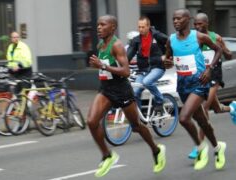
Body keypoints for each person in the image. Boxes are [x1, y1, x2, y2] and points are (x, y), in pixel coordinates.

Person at [87, 15, 166, 178]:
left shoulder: (117, 45)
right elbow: (106, 68)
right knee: (91, 121)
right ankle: (107, 156)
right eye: (98, 25)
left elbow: (126, 71)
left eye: (103, 25)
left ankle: (156, 150)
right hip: (105, 89)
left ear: (113, 27)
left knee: (136, 126)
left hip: (121, 90)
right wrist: (100, 66)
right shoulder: (101, 44)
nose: (99, 28)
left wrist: (102, 65)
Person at [163, 9, 226, 170]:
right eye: (173, 19)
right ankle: (218, 148)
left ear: (187, 19)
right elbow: (168, 57)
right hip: (183, 84)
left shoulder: (198, 37)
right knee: (203, 122)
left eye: (179, 18)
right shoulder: (171, 40)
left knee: (184, 118)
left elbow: (218, 50)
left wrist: (209, 68)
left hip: (199, 82)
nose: (175, 21)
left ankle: (200, 147)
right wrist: (166, 62)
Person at [188, 12, 236, 159]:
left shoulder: (215, 37)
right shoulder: (194, 39)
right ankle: (232, 107)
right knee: (216, 108)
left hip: (214, 76)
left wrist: (224, 50)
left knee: (204, 108)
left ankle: (199, 146)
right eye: (195, 24)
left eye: (200, 24)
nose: (197, 26)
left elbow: (228, 55)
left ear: (206, 23)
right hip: (201, 77)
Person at [127, 16, 167, 111]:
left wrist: (167, 55)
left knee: (147, 82)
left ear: (148, 26)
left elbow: (170, 42)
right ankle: (140, 120)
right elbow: (128, 55)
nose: (140, 29)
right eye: (139, 27)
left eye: (143, 27)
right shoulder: (136, 40)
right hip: (143, 70)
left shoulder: (157, 35)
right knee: (135, 92)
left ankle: (160, 100)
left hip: (157, 67)